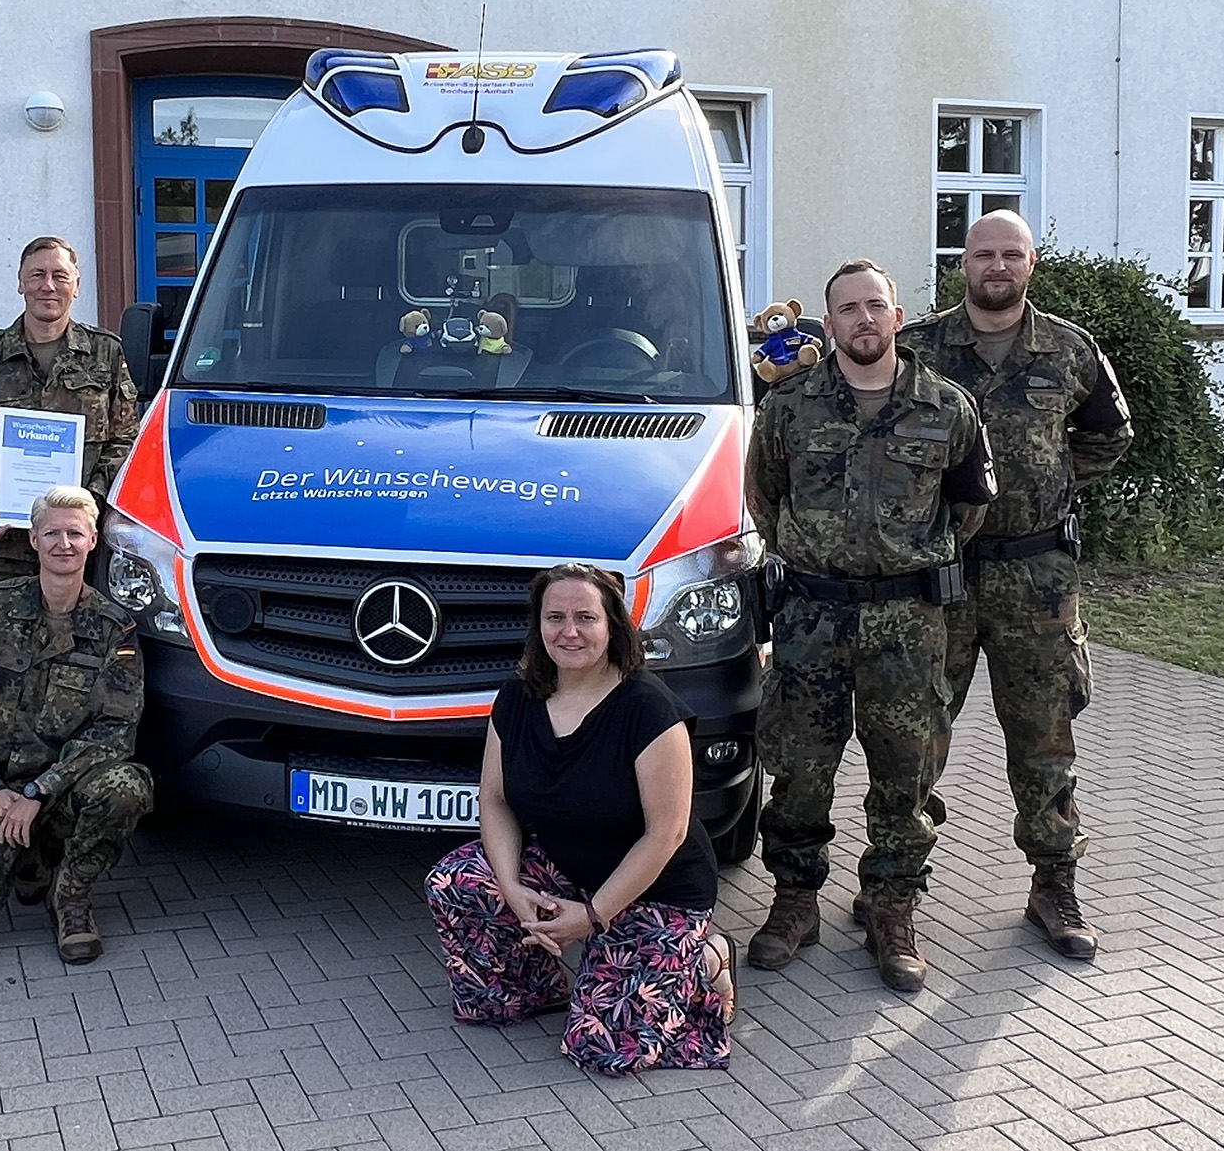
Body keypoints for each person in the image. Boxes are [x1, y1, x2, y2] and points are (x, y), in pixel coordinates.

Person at [745, 258, 996, 993]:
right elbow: (766, 498)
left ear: (897, 315)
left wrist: (899, 561)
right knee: (797, 765)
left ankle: (893, 908)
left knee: (905, 773)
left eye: (874, 305)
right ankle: (795, 902)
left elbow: (965, 512)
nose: (862, 319)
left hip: (906, 621)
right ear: (828, 323)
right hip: (811, 617)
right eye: (847, 308)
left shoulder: (947, 407)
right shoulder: (790, 408)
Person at [898, 211, 1133, 959]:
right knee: (915, 733)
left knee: (1044, 740)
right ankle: (895, 883)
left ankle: (1053, 885)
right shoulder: (920, 348)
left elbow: (1109, 434)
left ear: (1032, 263)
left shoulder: (1069, 348)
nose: (997, 266)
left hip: (1037, 578)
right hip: (943, 574)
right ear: (961, 262)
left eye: (1012, 254)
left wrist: (1049, 484)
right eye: (983, 254)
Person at [424, 564, 730, 1075]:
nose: (569, 631)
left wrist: (590, 918)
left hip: (656, 887)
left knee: (603, 1049)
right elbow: (495, 799)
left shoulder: (649, 710)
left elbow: (668, 833)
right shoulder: (518, 696)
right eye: (555, 617)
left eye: (585, 617)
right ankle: (530, 990)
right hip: (568, 862)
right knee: (458, 883)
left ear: (613, 625)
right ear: (537, 625)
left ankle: (707, 960)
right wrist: (512, 889)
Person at [0, 486, 153, 967]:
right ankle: (27, 858)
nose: (64, 543)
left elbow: (115, 729)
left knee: (126, 785)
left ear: (93, 541)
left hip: (58, 793)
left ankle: (71, 894)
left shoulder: (113, 627)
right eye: (52, 533)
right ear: (34, 540)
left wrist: (40, 791)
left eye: (75, 534)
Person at [0, 236, 138, 608]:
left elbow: (126, 442)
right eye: (37, 275)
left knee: (78, 657)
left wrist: (89, 503)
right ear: (21, 283)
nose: (48, 285)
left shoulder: (106, 353)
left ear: (77, 285)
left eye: (59, 275)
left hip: (79, 549)